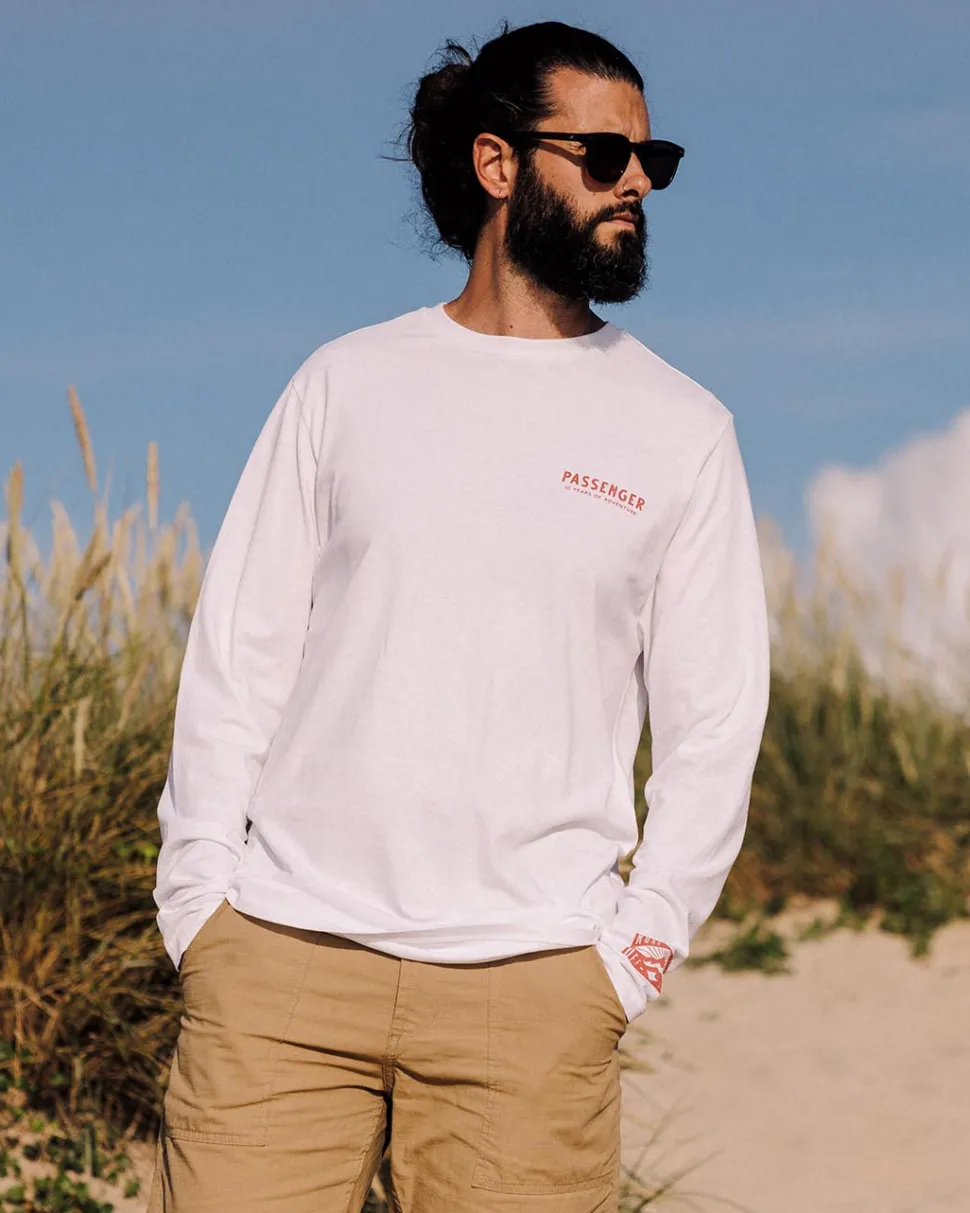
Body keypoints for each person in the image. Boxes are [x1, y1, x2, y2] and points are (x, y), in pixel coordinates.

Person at [148, 18, 770, 1213]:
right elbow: (238, 659)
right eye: (602, 156)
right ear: (497, 163)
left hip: (532, 995)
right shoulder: (346, 383)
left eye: (652, 160)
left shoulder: (682, 429)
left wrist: (630, 957)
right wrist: (201, 909)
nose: (636, 184)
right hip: (280, 969)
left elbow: (713, 727)